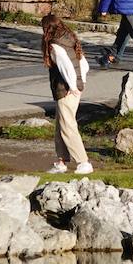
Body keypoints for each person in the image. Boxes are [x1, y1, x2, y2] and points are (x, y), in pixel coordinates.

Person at [41, 13, 92, 175]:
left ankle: (83, 162)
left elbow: (65, 67)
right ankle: (61, 161)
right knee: (61, 126)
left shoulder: (55, 45)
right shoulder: (70, 38)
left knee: (68, 126)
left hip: (66, 90)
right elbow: (84, 63)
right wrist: (81, 83)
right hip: (73, 88)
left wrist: (73, 86)